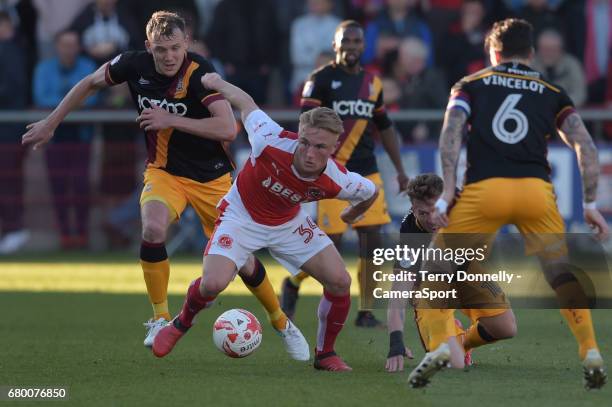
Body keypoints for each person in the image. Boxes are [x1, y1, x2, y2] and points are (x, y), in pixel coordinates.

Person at [21, 11, 305, 360]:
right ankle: (158, 318)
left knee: (244, 262)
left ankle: (281, 322)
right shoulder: (132, 65)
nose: (169, 56)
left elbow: (227, 129)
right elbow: (89, 83)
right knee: (152, 228)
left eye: (174, 47)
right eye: (160, 49)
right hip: (164, 173)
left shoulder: (200, 73)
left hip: (212, 180)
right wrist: (51, 123)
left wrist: (170, 119)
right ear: (147, 47)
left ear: (186, 43)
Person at [408, 18, 609, 390]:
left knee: (435, 266)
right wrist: (591, 202)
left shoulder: (471, 84)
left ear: (492, 52)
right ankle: (590, 349)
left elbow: (451, 133)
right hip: (535, 190)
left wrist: (450, 189)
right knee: (560, 271)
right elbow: (587, 145)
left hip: (485, 188)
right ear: (531, 54)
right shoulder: (552, 90)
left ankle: (442, 344)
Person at [152, 72, 380, 372]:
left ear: (334, 146)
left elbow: (370, 192)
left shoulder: (337, 179)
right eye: (306, 143)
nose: (310, 153)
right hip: (241, 216)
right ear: (299, 134)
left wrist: (352, 214)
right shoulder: (268, 139)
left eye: (321, 148)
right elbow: (245, 103)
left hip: (288, 224)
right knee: (213, 283)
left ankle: (325, 355)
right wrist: (219, 83)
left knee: (340, 282)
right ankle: (181, 323)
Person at [281, 20, 409, 328]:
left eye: (356, 42)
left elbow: (385, 126)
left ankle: (365, 311)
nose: (351, 47)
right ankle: (295, 282)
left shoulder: (373, 83)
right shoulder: (320, 80)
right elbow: (305, 125)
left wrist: (401, 171)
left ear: (363, 46)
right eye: (345, 42)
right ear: (336, 45)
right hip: (331, 173)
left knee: (373, 242)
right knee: (331, 244)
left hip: (367, 171)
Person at [385, 173, 517, 373]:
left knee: (506, 328)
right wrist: (396, 342)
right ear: (413, 209)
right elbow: (398, 295)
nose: (431, 220)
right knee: (452, 364)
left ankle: (462, 341)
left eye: (435, 211)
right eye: (423, 213)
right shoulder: (411, 235)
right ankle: (449, 339)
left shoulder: (462, 205)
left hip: (465, 269)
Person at [32, 30, 98, 249]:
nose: (68, 49)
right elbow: (41, 97)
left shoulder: (87, 67)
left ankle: (82, 234)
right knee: (58, 187)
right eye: (64, 44)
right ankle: (64, 236)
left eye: (72, 44)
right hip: (54, 137)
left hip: (81, 135)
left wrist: (61, 104)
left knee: (81, 186)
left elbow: (93, 97)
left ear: (78, 47)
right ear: (57, 47)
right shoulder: (44, 69)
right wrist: (71, 102)